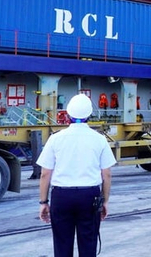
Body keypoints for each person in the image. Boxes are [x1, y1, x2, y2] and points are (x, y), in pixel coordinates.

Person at [37, 94, 116, 257]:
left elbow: (45, 174)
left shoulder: (55, 139)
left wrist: (44, 202)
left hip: (61, 196)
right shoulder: (99, 139)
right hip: (90, 196)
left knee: (62, 244)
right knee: (88, 244)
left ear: (67, 114)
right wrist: (105, 201)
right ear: (90, 115)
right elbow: (106, 174)